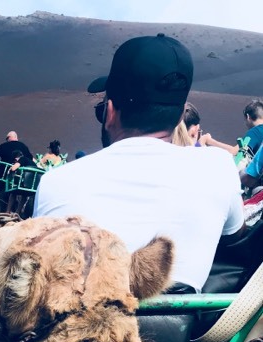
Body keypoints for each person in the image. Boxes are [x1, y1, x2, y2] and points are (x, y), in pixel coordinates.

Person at [33, 33, 244, 293]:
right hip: (183, 330)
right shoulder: (219, 168)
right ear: (180, 116)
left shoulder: (56, 182)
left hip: (78, 330)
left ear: (109, 113)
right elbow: (235, 241)